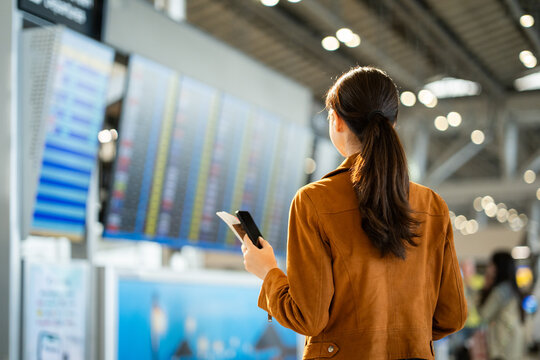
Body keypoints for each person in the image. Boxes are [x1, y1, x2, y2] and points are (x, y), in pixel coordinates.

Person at [241, 66, 467, 359]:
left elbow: (307, 318)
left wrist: (268, 272)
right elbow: (452, 316)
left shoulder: (313, 201)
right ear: (393, 124)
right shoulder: (433, 205)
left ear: (336, 121)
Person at [477, 251, 525, 359]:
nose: (488, 269)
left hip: (501, 346)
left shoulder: (500, 291)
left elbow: (484, 314)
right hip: (513, 343)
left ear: (498, 267)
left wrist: (484, 288)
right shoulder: (513, 289)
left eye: (491, 264)